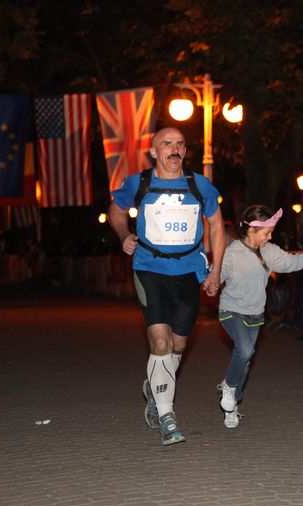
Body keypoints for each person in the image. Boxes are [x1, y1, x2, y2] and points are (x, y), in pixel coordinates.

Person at [108, 127, 225, 446]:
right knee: (160, 342)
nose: (175, 149)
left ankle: (155, 385)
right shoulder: (139, 183)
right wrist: (124, 235)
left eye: (180, 144)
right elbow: (116, 211)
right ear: (154, 152)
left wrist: (216, 270)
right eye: (167, 144)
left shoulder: (199, 185)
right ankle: (166, 415)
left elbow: (216, 225)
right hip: (149, 269)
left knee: (178, 345)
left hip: (189, 272)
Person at [217, 204, 303, 428]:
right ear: (251, 230)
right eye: (267, 233)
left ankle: (232, 405)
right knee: (245, 350)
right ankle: (229, 388)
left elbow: (294, 263)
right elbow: (215, 276)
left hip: (255, 313)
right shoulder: (232, 254)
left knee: (245, 362)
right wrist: (209, 280)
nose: (270, 237)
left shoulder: (269, 251)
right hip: (231, 310)